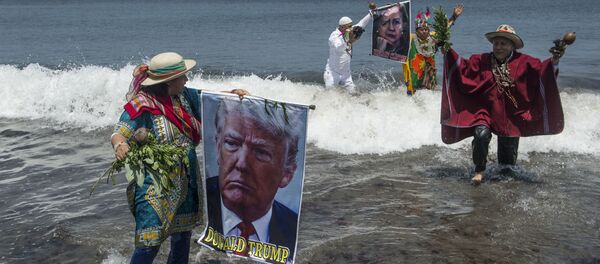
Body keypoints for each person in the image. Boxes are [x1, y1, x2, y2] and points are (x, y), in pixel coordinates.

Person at [111, 52, 247, 264]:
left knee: (182, 237)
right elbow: (120, 131)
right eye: (182, 76)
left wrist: (232, 94)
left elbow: (211, 101)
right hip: (155, 186)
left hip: (186, 180)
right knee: (150, 242)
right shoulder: (142, 105)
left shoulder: (184, 97)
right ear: (168, 82)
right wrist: (120, 144)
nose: (186, 80)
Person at [440, 25, 566, 184]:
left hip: (512, 114)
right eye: (496, 43)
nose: (498, 47)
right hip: (485, 110)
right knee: (480, 134)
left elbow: (543, 72)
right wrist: (447, 51)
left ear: (512, 45)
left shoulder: (525, 62)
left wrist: (555, 60)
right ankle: (479, 170)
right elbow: (462, 68)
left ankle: (505, 170)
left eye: (503, 44)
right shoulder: (482, 60)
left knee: (506, 169)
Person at [204, 97, 303, 262]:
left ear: (287, 174)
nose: (242, 163)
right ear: (217, 147)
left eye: (261, 152)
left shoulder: (291, 228)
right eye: (231, 143)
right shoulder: (199, 205)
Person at [402, 4, 463, 95]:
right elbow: (396, 35)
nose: (424, 31)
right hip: (414, 78)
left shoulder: (433, 37)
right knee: (412, 97)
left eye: (426, 29)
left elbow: (444, 29)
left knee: (430, 94)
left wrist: (454, 16)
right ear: (417, 30)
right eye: (421, 29)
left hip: (429, 76)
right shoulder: (410, 38)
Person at [324, 5, 375, 93]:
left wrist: (371, 14)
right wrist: (347, 39)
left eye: (351, 26)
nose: (351, 28)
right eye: (349, 26)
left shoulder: (349, 30)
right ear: (342, 27)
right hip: (333, 73)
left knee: (353, 94)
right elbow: (338, 47)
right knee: (329, 94)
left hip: (346, 74)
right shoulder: (334, 36)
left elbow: (361, 24)